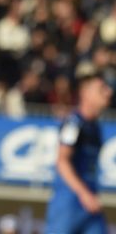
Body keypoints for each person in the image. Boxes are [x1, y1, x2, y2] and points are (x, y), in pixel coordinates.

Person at [45, 62, 112, 234]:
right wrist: (83, 193)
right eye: (102, 89)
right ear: (85, 93)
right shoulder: (73, 124)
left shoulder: (95, 127)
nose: (109, 93)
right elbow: (62, 161)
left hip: (89, 202)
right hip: (70, 202)